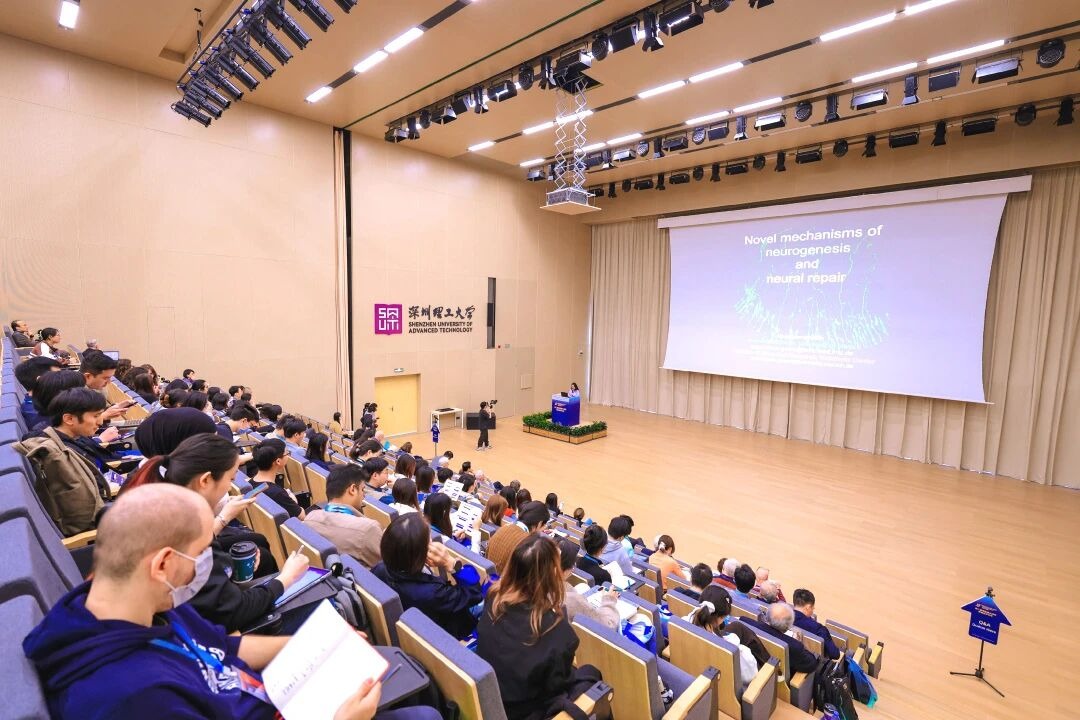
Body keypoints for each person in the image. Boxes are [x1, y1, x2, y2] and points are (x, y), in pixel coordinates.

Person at [23, 484, 426, 720]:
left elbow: (226, 646)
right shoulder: (133, 696)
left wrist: (321, 645)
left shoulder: (142, 605)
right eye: (201, 553)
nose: (206, 565)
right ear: (163, 563)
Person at [478, 534, 604, 720]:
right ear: (554, 575)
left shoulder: (493, 598)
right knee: (591, 673)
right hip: (525, 710)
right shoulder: (556, 630)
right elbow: (556, 688)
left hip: (493, 696)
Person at [13, 388, 112, 536]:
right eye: (96, 415)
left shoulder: (60, 440)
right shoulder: (58, 456)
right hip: (99, 529)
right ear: (69, 419)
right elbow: (83, 518)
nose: (101, 421)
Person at [373, 513, 483, 640]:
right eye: (428, 538)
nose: (431, 541)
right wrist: (452, 563)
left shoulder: (380, 568)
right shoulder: (433, 593)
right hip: (450, 631)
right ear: (419, 552)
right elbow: (474, 593)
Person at [685, 585, 770, 692]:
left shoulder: (686, 620)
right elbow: (750, 675)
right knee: (744, 635)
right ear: (721, 618)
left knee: (737, 626)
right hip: (724, 683)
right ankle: (770, 665)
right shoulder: (731, 646)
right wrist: (743, 649)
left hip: (694, 663)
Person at [305, 465, 383, 568]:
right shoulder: (368, 529)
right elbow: (390, 569)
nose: (364, 495)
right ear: (353, 489)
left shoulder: (310, 517)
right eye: (362, 490)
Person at [557, 539, 618, 630]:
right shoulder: (573, 600)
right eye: (572, 565)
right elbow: (608, 626)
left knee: (583, 586)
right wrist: (609, 601)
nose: (573, 569)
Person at [744, 603, 820, 674]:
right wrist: (801, 643)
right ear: (789, 626)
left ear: (766, 617)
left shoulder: (745, 622)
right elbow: (812, 664)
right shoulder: (794, 646)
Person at [485, 501, 549, 576]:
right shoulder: (527, 543)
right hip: (503, 584)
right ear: (539, 524)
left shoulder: (504, 528)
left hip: (489, 580)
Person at [249, 440, 306, 520]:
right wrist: (293, 500)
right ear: (278, 461)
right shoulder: (277, 493)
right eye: (287, 453)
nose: (288, 455)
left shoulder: (250, 483)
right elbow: (302, 516)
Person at [791, 588, 841, 660]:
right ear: (808, 607)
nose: (813, 609)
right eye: (812, 607)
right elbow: (835, 654)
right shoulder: (818, 628)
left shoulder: (783, 619)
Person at [13, 356, 61, 429]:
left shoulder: (34, 404)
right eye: (58, 376)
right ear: (41, 380)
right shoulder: (40, 416)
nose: (64, 378)